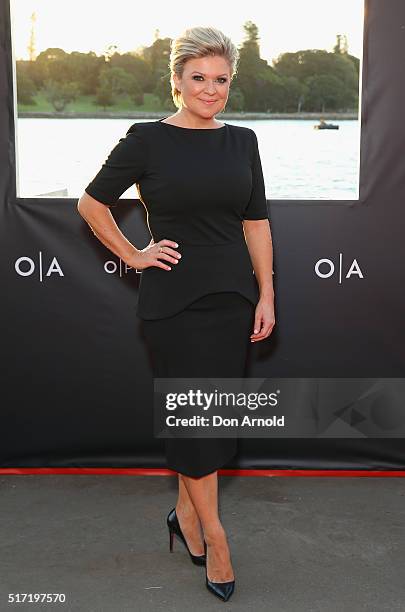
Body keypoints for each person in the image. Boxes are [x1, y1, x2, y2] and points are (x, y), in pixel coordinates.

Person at [77, 25, 275, 602]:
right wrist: (135, 254)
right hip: (175, 304)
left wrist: (266, 292)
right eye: (199, 78)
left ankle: (184, 517)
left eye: (221, 80)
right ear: (177, 81)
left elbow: (255, 222)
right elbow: (92, 203)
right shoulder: (146, 139)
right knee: (195, 421)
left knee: (215, 421)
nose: (211, 90)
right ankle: (215, 536)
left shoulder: (243, 141)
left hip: (232, 300)